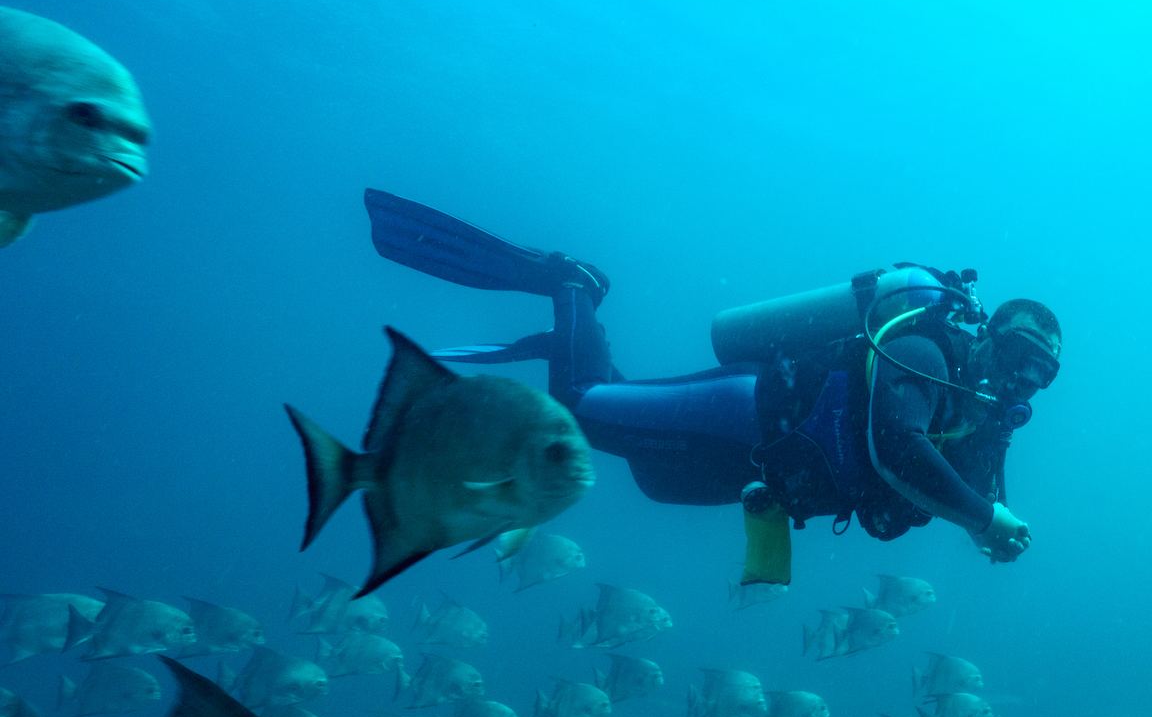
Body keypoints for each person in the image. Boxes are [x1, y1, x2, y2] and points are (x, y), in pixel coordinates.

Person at [361, 189, 1061, 585]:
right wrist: (982, 519)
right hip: (746, 410)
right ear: (988, 335)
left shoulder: (987, 417)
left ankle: (571, 344)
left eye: (1042, 372)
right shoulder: (923, 347)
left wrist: (989, 526)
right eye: (1020, 355)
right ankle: (571, 286)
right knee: (578, 417)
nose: (1024, 378)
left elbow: (967, 496)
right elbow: (895, 448)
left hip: (762, 473)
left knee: (647, 476)